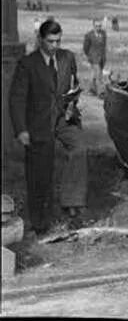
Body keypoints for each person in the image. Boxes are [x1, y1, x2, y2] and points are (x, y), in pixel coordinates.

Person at [9, 19, 88, 235]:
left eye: (58, 41)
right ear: (41, 40)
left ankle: (72, 206)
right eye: (51, 41)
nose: (55, 46)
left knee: (79, 148)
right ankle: (40, 222)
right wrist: (21, 129)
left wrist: (72, 104)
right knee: (40, 170)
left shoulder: (67, 57)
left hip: (64, 118)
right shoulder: (27, 64)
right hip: (39, 123)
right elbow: (16, 99)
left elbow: (74, 85)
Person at [83, 17, 107, 97]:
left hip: (102, 58)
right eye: (97, 26)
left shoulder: (103, 34)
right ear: (93, 26)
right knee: (99, 74)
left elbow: (104, 46)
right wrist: (89, 56)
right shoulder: (89, 35)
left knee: (94, 75)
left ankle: (92, 90)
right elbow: (85, 47)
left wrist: (104, 57)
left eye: (100, 26)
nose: (98, 27)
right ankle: (101, 92)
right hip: (93, 58)